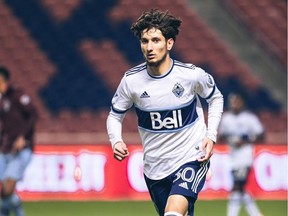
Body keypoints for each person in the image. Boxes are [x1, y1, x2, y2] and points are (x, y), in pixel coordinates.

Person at [106, 9, 223, 216]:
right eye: (145, 41)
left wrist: (211, 136)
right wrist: (116, 140)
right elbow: (115, 115)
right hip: (155, 169)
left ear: (169, 43)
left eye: (156, 40)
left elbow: (216, 98)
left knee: (173, 213)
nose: (149, 47)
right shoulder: (131, 81)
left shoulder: (190, 76)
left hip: (191, 158)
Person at [218, 92, 264, 216]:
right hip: (233, 157)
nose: (234, 104)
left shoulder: (249, 118)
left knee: (237, 187)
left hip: (245, 156)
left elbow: (261, 135)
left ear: (242, 102)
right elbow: (221, 136)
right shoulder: (226, 118)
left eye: (236, 101)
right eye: (232, 102)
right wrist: (230, 138)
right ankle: (256, 214)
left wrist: (244, 141)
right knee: (241, 188)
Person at [0, 66, 38, 216]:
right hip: (5, 148)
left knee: (8, 188)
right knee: (4, 191)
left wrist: (23, 137)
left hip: (21, 149)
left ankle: (17, 211)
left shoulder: (17, 94)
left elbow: (34, 114)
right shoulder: (1, 100)